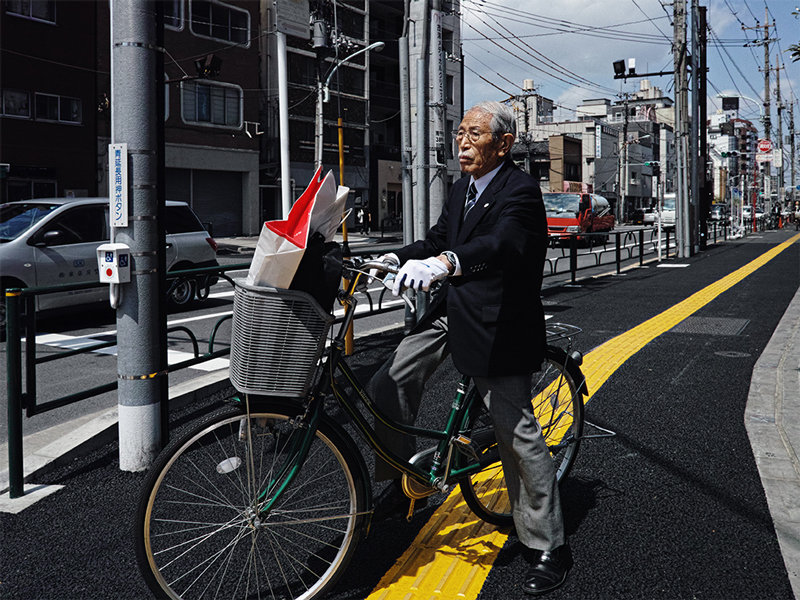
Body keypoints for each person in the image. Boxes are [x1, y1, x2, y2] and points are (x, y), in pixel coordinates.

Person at [368, 101, 571, 596]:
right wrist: (400, 254)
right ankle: (404, 483)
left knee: (515, 430)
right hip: (451, 309)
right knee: (386, 383)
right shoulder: (460, 189)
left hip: (498, 320)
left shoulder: (520, 191)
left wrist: (446, 262)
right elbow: (440, 238)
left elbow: (500, 245)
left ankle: (549, 545)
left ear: (502, 144)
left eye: (473, 135)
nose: (462, 142)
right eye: (460, 134)